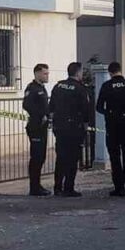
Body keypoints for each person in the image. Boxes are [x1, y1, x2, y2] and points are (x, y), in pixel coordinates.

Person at [97, 61, 125, 196]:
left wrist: (109, 114)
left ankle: (119, 188)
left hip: (113, 127)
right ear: (120, 70)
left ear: (110, 73)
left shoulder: (107, 86)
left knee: (115, 157)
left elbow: (99, 107)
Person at [49, 62, 88, 197]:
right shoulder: (80, 89)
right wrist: (85, 126)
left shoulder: (58, 86)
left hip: (60, 127)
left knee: (61, 158)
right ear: (78, 73)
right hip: (74, 128)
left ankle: (57, 187)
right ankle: (68, 188)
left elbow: (51, 107)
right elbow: (85, 110)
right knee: (72, 159)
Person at [22, 63, 51, 196]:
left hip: (42, 127)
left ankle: (37, 185)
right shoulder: (32, 88)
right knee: (36, 157)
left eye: (47, 73)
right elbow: (26, 105)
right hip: (35, 127)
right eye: (45, 73)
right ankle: (34, 187)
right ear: (37, 73)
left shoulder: (41, 88)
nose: (47, 76)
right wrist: (40, 116)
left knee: (41, 157)